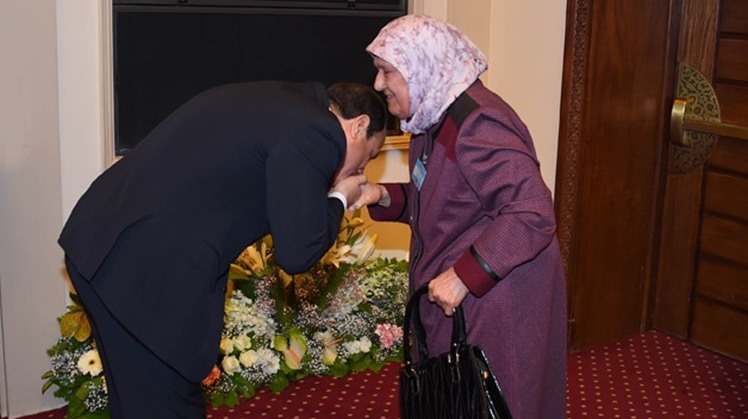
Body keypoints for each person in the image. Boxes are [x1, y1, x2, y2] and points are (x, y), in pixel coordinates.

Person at [58, 80, 387, 419]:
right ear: (357, 126)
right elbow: (298, 252)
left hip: (105, 242)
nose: (362, 170)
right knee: (167, 407)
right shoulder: (320, 131)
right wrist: (340, 197)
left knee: (138, 403)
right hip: (147, 269)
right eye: (370, 156)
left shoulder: (284, 102)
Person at [352, 15, 567, 418]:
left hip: (498, 297)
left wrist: (465, 274)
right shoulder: (434, 117)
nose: (378, 84)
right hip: (471, 293)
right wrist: (382, 196)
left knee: (495, 405)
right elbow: (444, 203)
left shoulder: (478, 123)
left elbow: (532, 210)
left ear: (421, 66)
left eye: (387, 72)